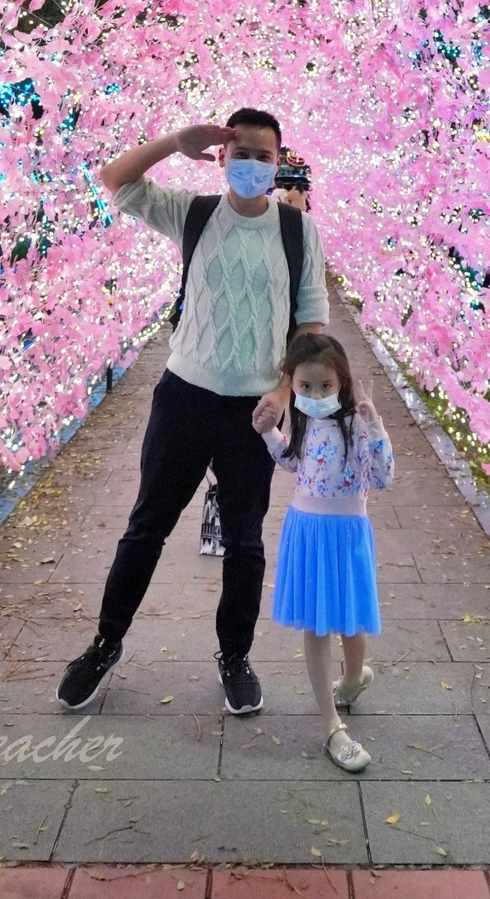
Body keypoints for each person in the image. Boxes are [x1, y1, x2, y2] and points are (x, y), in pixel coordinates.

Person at [56, 109, 330, 716]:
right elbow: (117, 181)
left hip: (255, 410)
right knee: (147, 525)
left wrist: (285, 392)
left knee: (245, 541)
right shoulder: (195, 212)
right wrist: (173, 142)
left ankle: (235, 656)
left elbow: (311, 323)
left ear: (279, 160)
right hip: (184, 394)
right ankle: (105, 644)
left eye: (265, 155)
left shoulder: (296, 229)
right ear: (223, 156)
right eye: (243, 153)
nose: (254, 165)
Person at [253, 332, 394, 772]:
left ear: (342, 382)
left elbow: (385, 477)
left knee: (350, 619)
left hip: (347, 530)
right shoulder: (304, 419)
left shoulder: (356, 423)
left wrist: (377, 429)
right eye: (305, 387)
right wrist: (271, 435)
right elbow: (297, 465)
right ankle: (331, 725)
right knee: (316, 625)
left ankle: (353, 679)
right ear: (293, 384)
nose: (314, 395)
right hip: (307, 529)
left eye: (325, 387)